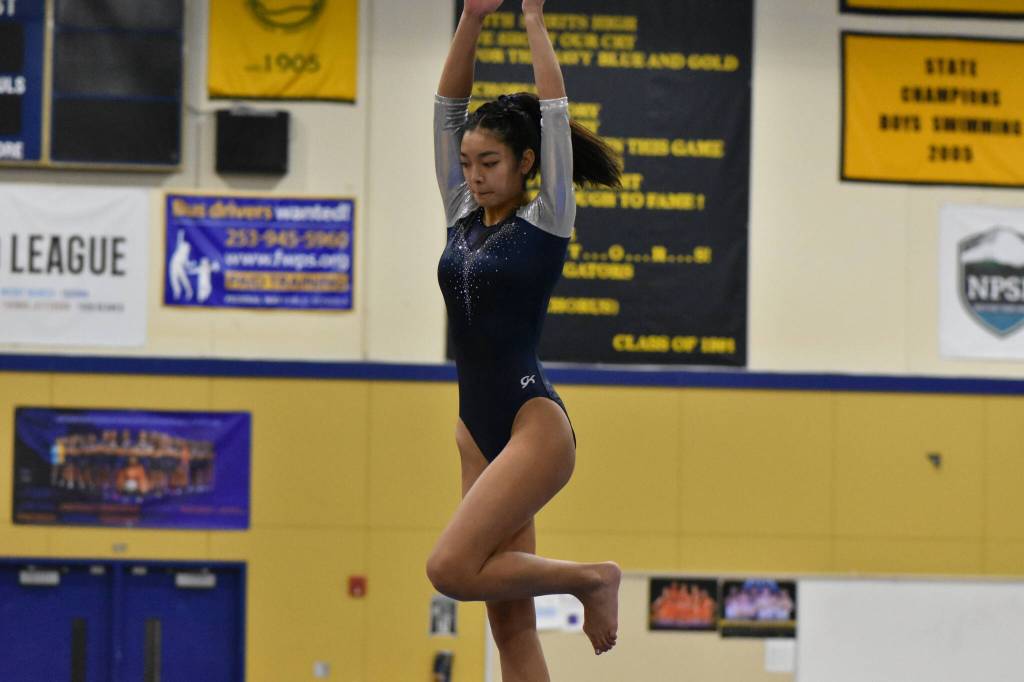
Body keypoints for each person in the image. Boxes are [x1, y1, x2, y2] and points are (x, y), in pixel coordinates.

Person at [425, 0, 623, 677]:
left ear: (526, 162)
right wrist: (473, 18)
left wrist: (534, 21)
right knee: (510, 629)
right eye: (468, 163)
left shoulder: (548, 220)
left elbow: (557, 113)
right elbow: (449, 107)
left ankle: (590, 578)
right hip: (474, 430)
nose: (474, 175)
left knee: (450, 568)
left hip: (532, 426)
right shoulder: (461, 218)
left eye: (490, 163)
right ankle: (583, 581)